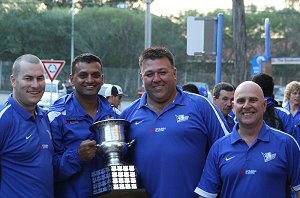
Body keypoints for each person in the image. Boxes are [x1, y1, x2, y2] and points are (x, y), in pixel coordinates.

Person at [120, 46, 230, 198]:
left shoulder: (202, 106)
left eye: (162, 72)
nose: (156, 79)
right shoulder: (128, 115)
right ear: (142, 77)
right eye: (149, 74)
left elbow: (228, 153)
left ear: (174, 73)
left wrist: (208, 191)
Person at [194, 81, 300, 198]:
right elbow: (206, 194)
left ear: (264, 105)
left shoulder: (287, 144)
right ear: (234, 107)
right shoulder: (219, 148)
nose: (246, 105)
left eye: (253, 100)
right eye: (241, 101)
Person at [47, 53, 116, 198]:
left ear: (102, 79)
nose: (90, 80)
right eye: (83, 75)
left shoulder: (115, 115)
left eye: (95, 75)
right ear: (72, 79)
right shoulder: (56, 115)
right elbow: (47, 168)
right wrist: (77, 157)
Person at [0, 54, 54, 197]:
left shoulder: (44, 117)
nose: (35, 85)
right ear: (13, 80)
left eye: (40, 78)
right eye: (28, 78)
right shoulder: (3, 119)